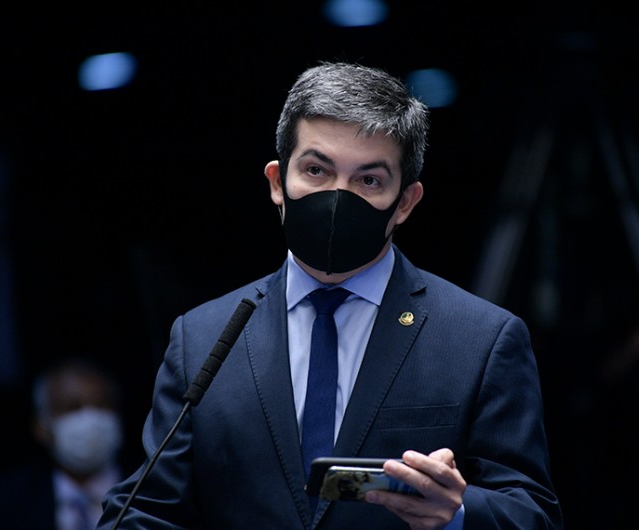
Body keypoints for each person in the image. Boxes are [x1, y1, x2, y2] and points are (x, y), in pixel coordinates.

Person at [97, 61, 563, 529]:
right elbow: (148, 509)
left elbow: (532, 513)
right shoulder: (203, 338)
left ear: (405, 202)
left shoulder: (479, 338)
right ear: (278, 183)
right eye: (316, 170)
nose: (338, 197)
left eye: (368, 180)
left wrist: (457, 513)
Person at [0, 356, 125, 530]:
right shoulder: (6, 501)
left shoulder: (147, 490)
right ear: (41, 427)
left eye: (102, 405)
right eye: (72, 407)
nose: (90, 418)